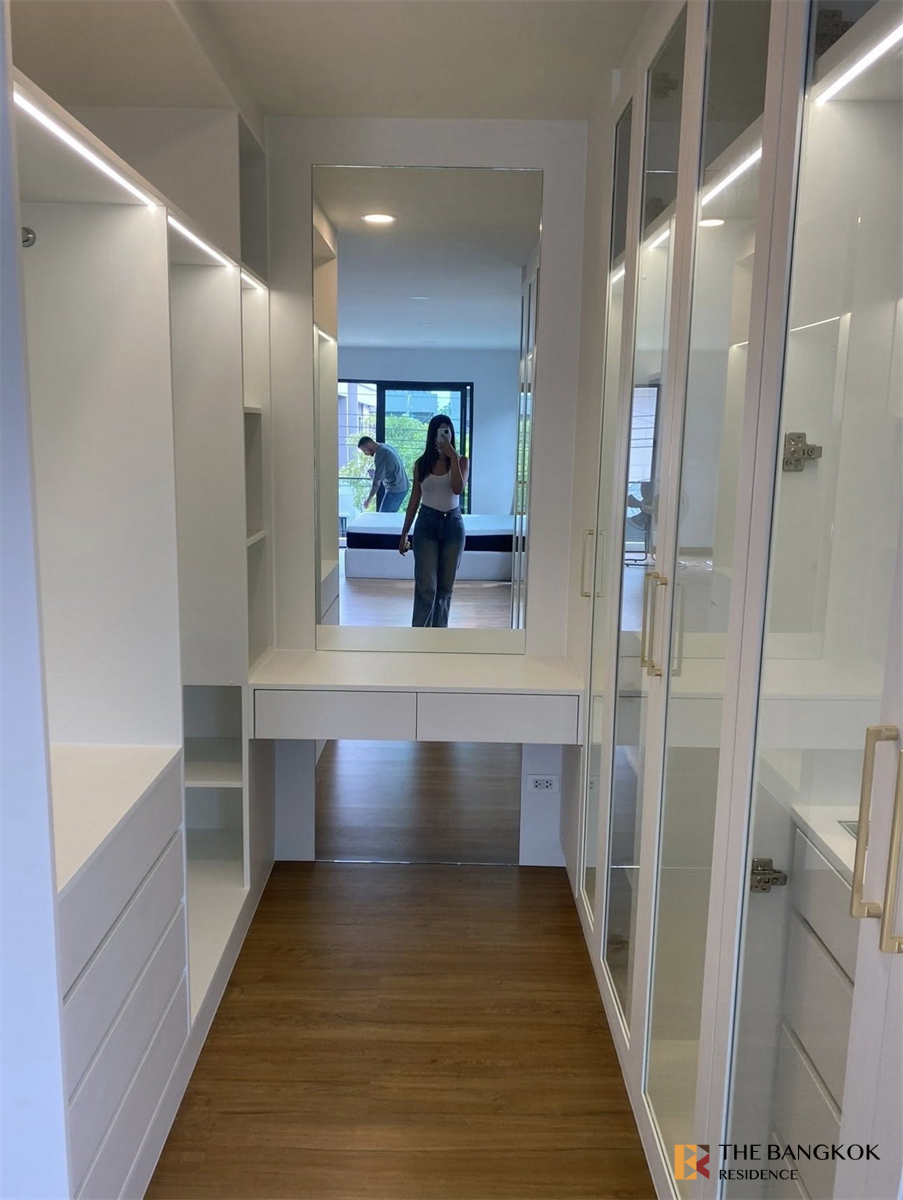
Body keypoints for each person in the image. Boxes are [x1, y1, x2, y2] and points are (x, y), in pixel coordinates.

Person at [399, 415, 469, 628]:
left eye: (447, 431)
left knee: (445, 590)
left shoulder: (462, 461)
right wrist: (404, 533)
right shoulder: (421, 464)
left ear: (452, 434)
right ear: (432, 435)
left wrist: (453, 456)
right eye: (440, 432)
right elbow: (414, 499)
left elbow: (457, 489)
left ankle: (440, 638)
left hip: (453, 526)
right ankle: (420, 637)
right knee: (426, 588)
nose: (444, 436)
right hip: (426, 524)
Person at [358, 437, 409, 512]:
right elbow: (386, 472)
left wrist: (368, 500)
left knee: (383, 516)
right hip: (402, 486)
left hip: (396, 488)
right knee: (388, 515)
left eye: (365, 451)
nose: (366, 454)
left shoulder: (381, 453)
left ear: (368, 445)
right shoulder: (385, 447)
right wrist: (375, 475)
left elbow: (376, 483)